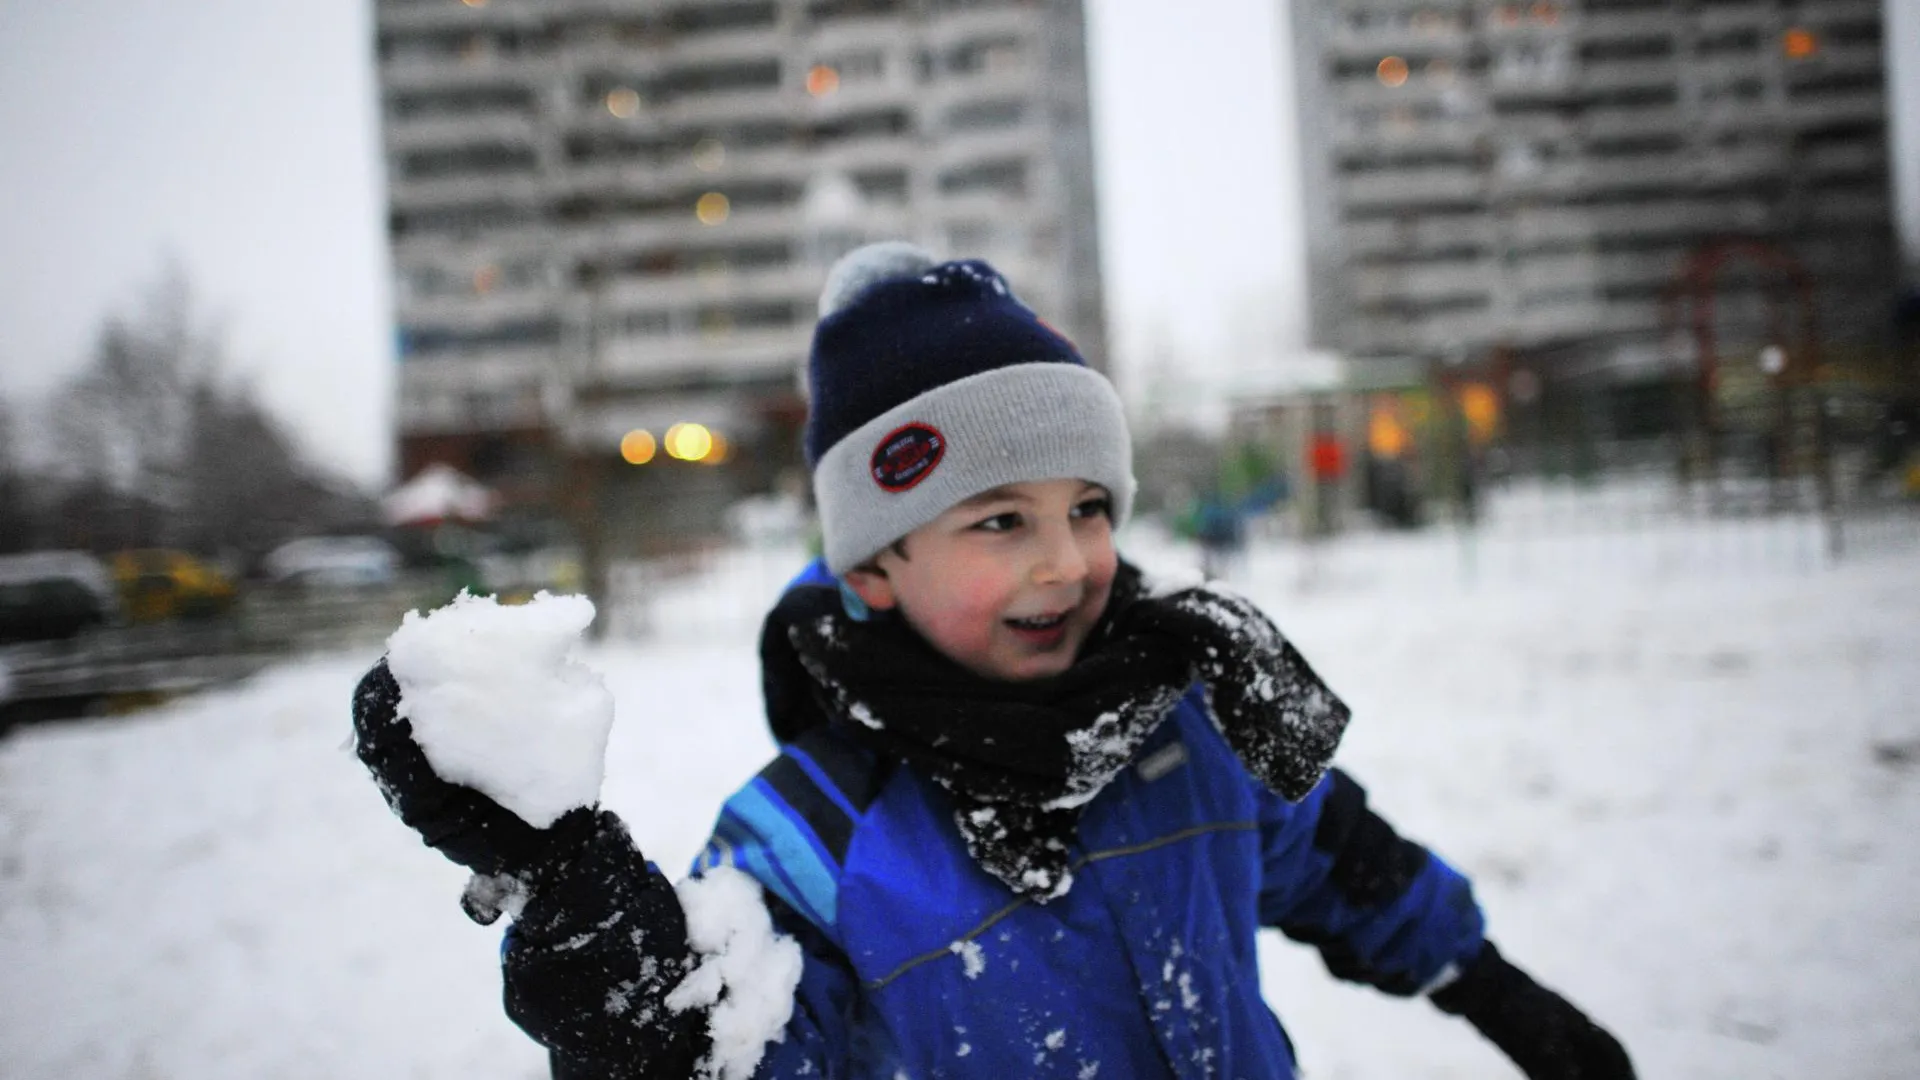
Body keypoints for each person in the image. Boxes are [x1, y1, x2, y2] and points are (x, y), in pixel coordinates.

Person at [352, 243, 1633, 1080]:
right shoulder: (810, 833)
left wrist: (1485, 981)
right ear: (873, 569)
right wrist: (619, 975)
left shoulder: (1183, 723)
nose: (1067, 562)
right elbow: (735, 1046)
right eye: (999, 521)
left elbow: (1338, 859)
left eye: (1089, 507)